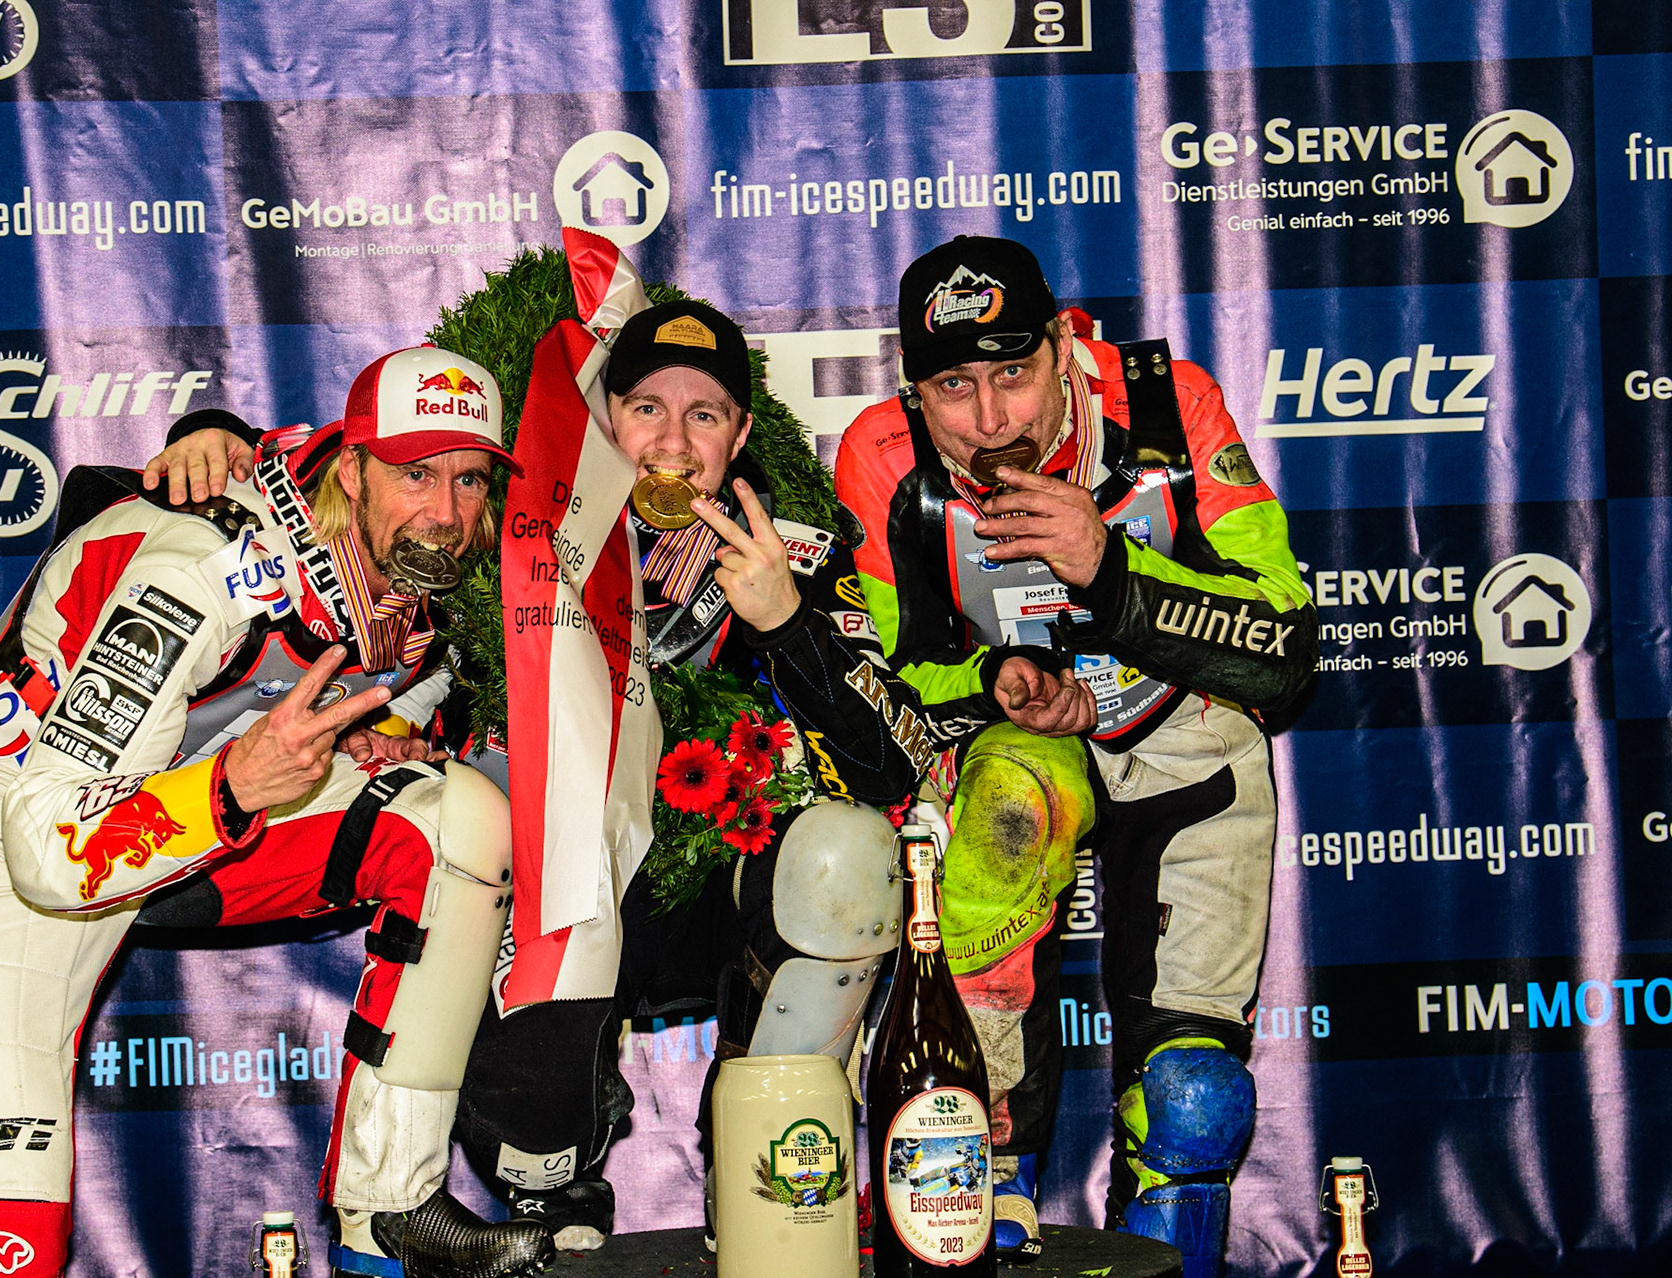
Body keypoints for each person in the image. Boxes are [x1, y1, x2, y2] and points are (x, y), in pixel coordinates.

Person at [155, 287, 969, 1253]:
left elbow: (902, 769)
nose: (672, 441)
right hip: (547, 889)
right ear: (601, 420)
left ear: (741, 434)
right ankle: (549, 1188)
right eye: (646, 410)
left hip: (703, 891)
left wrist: (786, 624)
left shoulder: (790, 544)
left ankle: (769, 1179)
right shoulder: (507, 520)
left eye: (703, 415)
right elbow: (367, 486)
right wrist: (214, 435)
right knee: (484, 826)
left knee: (843, 854)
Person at [0, 346, 557, 1278]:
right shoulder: (208, 564)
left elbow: (414, 690)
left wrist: (393, 737)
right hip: (17, 825)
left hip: (217, 803)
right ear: (353, 466)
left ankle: (393, 1211)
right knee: (5, 1212)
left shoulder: (435, 568)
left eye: (469, 478)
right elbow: (48, 846)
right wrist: (237, 788)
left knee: (461, 820)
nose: (447, 514)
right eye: (415, 473)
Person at [833, 235, 1317, 1277]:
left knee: (1194, 1105)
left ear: (1063, 346)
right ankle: (995, 1181)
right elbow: (887, 677)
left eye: (1014, 372)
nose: (992, 418)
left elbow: (1284, 646)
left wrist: (1111, 571)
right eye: (953, 388)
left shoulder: (1166, 408)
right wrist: (995, 683)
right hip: (1020, 751)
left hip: (1181, 727)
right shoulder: (880, 455)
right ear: (913, 393)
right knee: (976, 1071)